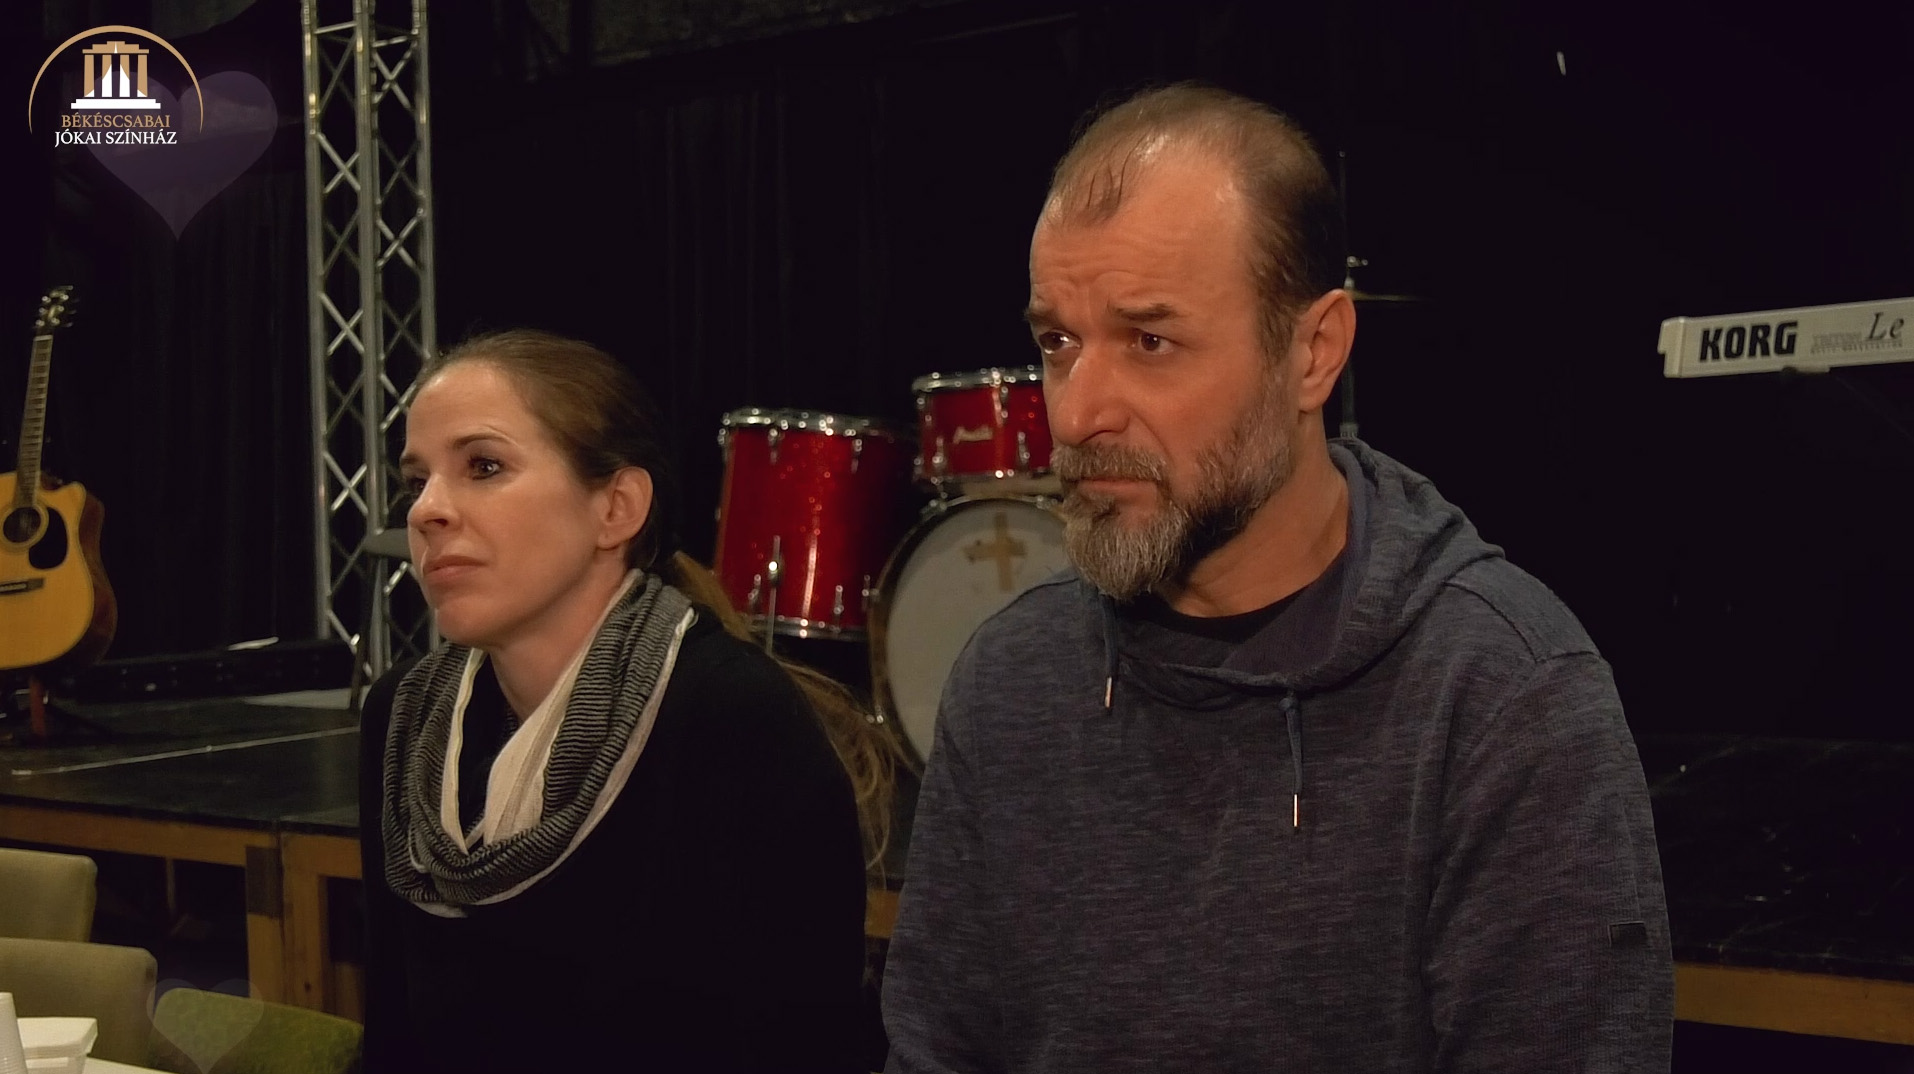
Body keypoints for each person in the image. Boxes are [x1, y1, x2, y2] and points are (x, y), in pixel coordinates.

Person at [881, 84, 1673, 1072]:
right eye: (1058, 342)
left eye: (1151, 341)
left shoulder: (1502, 697)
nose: (1078, 414)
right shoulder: (1011, 682)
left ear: (1313, 353)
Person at [358, 329, 896, 1073]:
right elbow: (394, 1041)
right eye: (416, 480)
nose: (426, 510)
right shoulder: (406, 716)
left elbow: (804, 1050)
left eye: (483, 466)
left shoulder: (733, 718)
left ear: (616, 508)